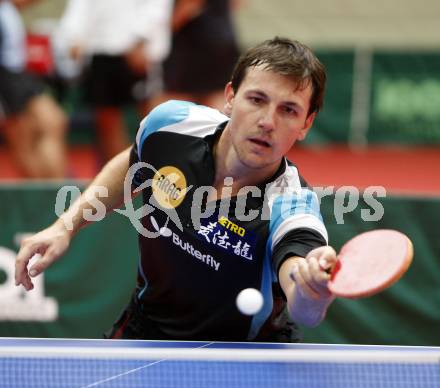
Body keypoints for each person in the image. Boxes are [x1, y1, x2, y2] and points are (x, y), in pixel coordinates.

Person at [15, 37, 337, 342]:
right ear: (230, 97)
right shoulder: (171, 126)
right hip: (147, 331)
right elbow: (134, 164)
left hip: (244, 352)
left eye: (289, 110)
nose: (268, 121)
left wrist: (312, 292)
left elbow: (303, 301)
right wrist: (65, 227)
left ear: (307, 124)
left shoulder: (293, 206)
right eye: (256, 99)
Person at [56, 0, 173, 163]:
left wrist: (141, 39)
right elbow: (80, 7)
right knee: (107, 123)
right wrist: (74, 37)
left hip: (140, 52)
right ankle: (123, 182)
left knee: (154, 120)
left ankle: (161, 176)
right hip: (99, 52)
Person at [0, 0, 67, 179]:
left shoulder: (8, 7)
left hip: (20, 74)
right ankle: (41, 195)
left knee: (53, 121)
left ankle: (55, 188)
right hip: (6, 80)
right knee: (22, 140)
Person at [154, 0, 241, 111]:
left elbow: (189, 5)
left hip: (194, 47)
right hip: (220, 40)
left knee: (178, 110)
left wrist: (161, 32)